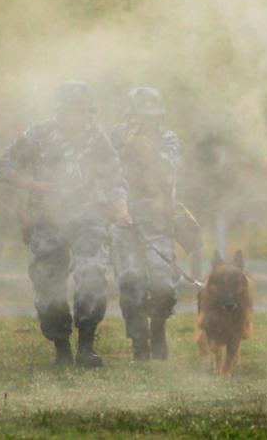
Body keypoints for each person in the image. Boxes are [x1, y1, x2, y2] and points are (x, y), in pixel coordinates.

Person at [0, 81, 129, 367]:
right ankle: (61, 349)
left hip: (88, 218)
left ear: (89, 111)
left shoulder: (97, 139)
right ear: (60, 110)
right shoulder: (38, 135)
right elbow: (3, 166)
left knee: (92, 276)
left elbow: (114, 178)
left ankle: (86, 347)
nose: (76, 116)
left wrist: (121, 208)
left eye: (81, 110)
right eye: (70, 110)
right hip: (47, 219)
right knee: (48, 286)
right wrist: (32, 184)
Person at [109, 87, 181, 361]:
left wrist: (145, 149)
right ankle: (139, 343)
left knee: (163, 283)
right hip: (124, 220)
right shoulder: (116, 137)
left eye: (151, 116)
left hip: (157, 220)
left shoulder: (167, 138)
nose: (146, 121)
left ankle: (158, 326)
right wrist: (119, 206)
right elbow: (108, 175)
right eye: (141, 116)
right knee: (130, 280)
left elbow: (169, 170)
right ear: (131, 115)